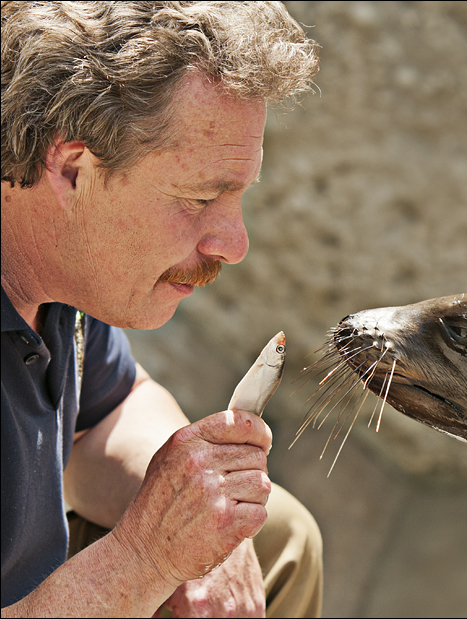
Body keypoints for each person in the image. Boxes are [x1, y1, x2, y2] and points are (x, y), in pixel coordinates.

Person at [1, 2, 323, 616]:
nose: (234, 244)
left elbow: (109, 412)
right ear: (73, 169)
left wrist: (201, 513)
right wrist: (147, 560)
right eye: (199, 198)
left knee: (275, 535)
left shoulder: (64, 262)